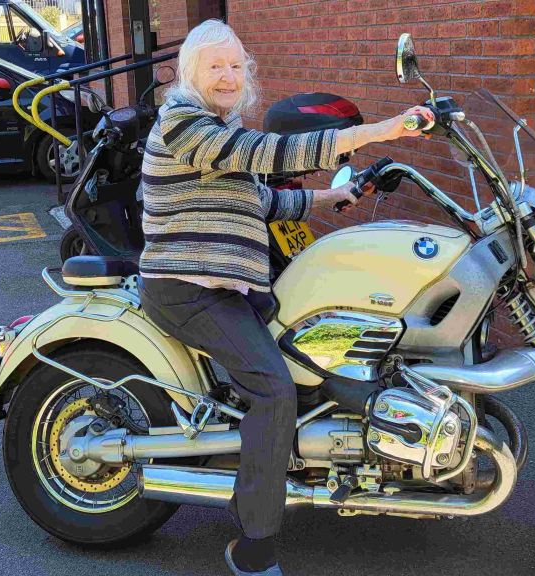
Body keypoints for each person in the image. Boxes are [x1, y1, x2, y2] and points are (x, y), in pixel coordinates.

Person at [136, 19, 434, 576]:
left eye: (235, 66)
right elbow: (270, 153)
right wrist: (382, 130)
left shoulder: (218, 129)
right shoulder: (182, 123)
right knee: (274, 390)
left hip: (228, 289)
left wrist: (338, 195)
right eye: (214, 67)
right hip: (187, 291)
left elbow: (267, 202)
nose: (227, 76)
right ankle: (253, 548)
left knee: (318, 350)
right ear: (189, 75)